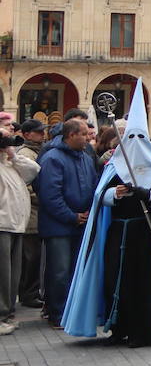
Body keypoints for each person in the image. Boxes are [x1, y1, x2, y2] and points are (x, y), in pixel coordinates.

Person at [62, 80, 151, 347]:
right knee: (115, 279)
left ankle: (143, 330)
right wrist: (112, 195)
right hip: (118, 231)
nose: (137, 143)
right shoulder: (115, 165)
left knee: (143, 284)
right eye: (132, 137)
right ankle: (118, 326)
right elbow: (99, 199)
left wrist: (149, 196)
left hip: (147, 236)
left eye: (142, 137)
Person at [35, 119, 97, 328]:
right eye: (85, 134)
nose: (89, 138)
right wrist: (72, 216)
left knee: (75, 270)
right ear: (71, 135)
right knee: (59, 272)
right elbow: (50, 195)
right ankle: (57, 313)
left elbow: (92, 187)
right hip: (59, 226)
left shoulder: (86, 158)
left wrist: (88, 211)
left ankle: (71, 311)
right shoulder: (53, 158)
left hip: (80, 223)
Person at [0, 119, 40, 334]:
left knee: (12, 275)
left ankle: (7, 313)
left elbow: (33, 170)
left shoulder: (11, 163)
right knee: (2, 275)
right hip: (2, 226)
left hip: (16, 225)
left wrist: (12, 153)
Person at [16, 119, 45, 309]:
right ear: (27, 134)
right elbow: (25, 186)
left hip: (37, 213)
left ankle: (30, 291)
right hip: (31, 214)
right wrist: (42, 198)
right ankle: (28, 293)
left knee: (33, 256)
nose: (42, 135)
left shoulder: (38, 151)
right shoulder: (26, 154)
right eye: (38, 132)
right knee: (30, 257)